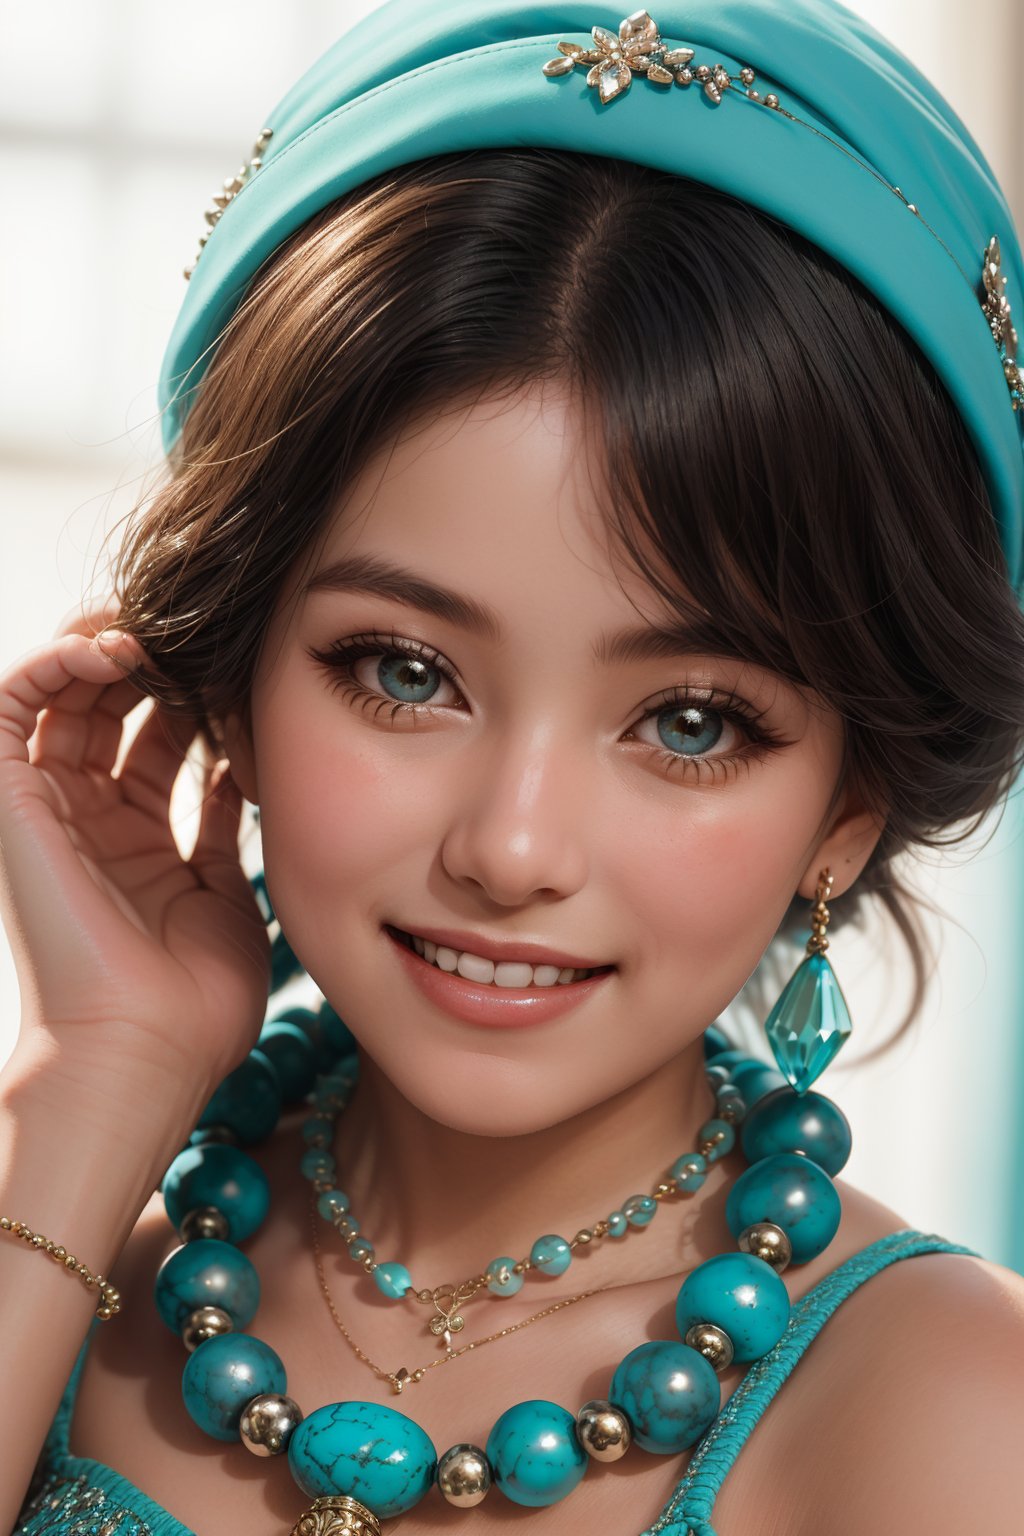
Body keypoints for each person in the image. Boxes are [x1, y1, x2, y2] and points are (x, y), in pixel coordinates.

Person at [2, 2, 1024, 1533]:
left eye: (690, 721)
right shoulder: (60, 1261)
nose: (514, 846)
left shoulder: (960, 1412)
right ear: (233, 685)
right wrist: (100, 1085)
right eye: (404, 673)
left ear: (851, 804)